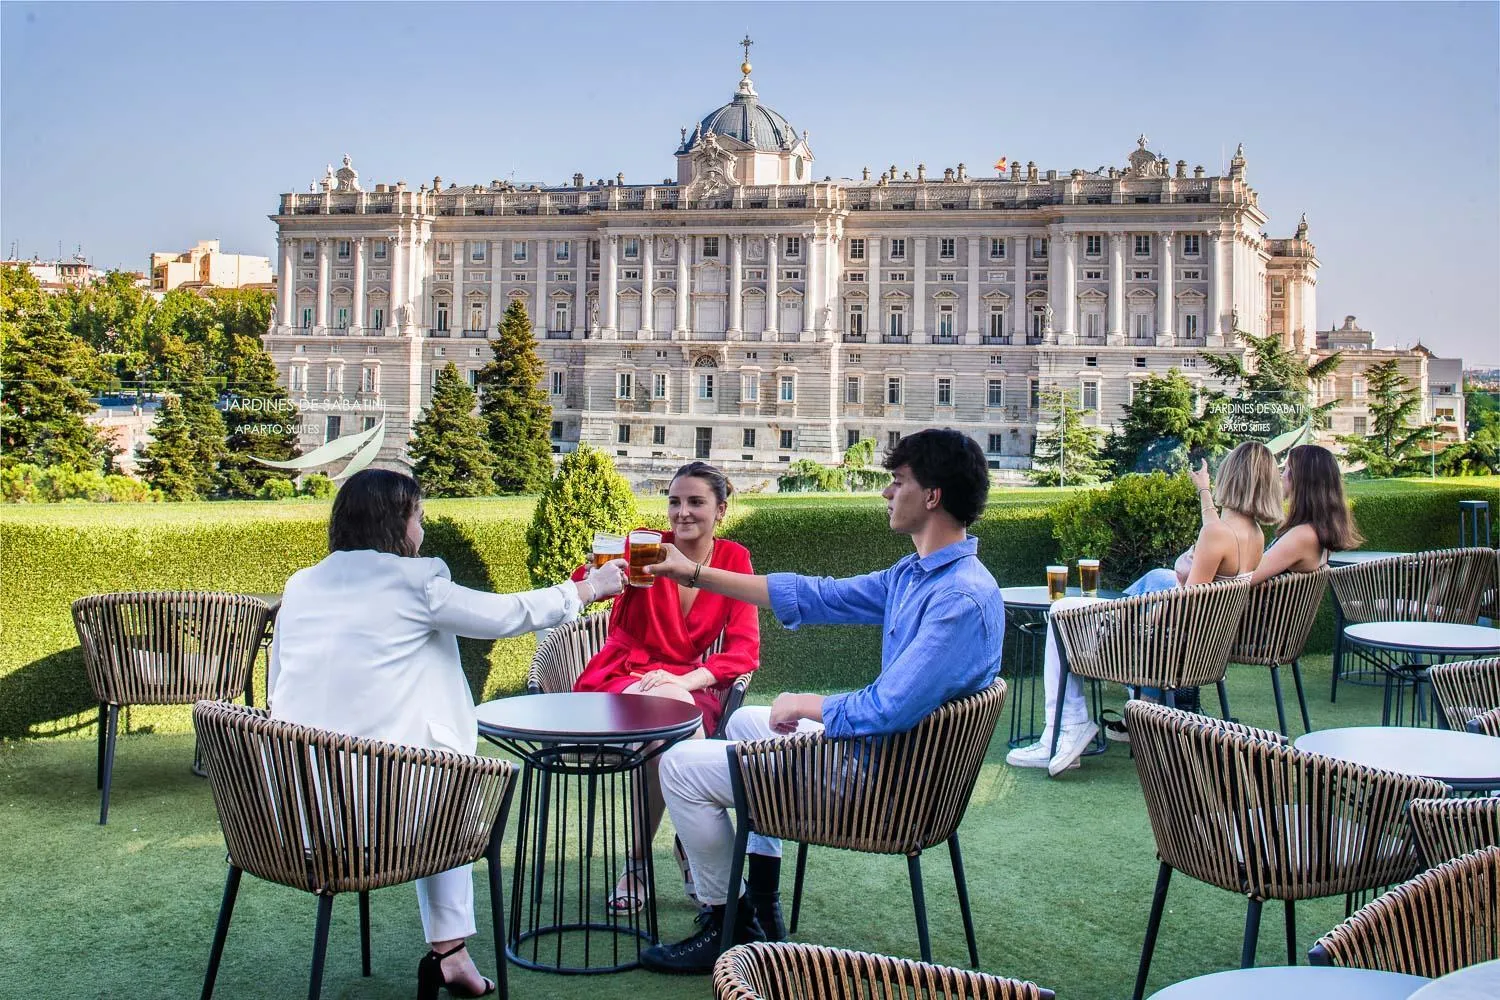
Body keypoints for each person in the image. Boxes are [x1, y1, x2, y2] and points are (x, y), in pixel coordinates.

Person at [634, 428, 1006, 974]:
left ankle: (726, 922)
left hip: (887, 784)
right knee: (746, 726)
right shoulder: (920, 575)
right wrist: (691, 572)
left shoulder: (958, 598)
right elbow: (819, 595)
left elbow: (887, 708)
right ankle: (762, 906)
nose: (886, 492)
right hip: (893, 758)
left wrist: (808, 703)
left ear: (932, 497)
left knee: (682, 765)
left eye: (897, 481)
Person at [267, 469, 627, 999]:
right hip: (381, 818)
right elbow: (506, 615)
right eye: (419, 517)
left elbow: (279, 685)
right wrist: (588, 588)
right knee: (456, 779)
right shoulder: (415, 583)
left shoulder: (300, 586)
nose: (422, 529)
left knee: (438, 759)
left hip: (296, 814)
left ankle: (452, 955)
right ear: (395, 522)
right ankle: (451, 951)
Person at [1006, 440, 1283, 776]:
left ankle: (1067, 726)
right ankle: (1106, 647)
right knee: (1158, 576)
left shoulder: (1216, 534)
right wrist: (1204, 493)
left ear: (1233, 478)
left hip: (1164, 652)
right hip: (1204, 652)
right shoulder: (1253, 536)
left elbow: (1187, 606)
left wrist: (1151, 612)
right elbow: (1212, 547)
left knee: (1061, 611)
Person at [571, 462, 761, 913]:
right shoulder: (646, 545)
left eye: (696, 502)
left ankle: (647, 860)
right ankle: (693, 854)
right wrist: (603, 573)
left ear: (721, 511)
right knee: (669, 714)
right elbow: (584, 585)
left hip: (688, 685)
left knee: (669, 721)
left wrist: (684, 679)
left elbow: (744, 652)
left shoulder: (734, 559)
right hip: (621, 675)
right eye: (674, 501)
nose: (682, 512)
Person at [1248, 444, 1362, 583]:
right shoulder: (1320, 531)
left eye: (1286, 469)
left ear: (1300, 478)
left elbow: (1246, 580)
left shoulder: (1303, 536)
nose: (1282, 476)